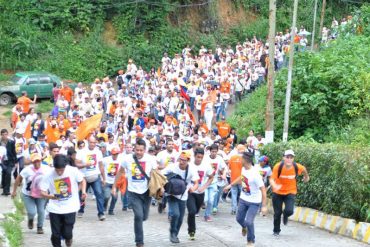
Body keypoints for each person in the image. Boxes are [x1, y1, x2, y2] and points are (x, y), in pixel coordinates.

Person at [112, 139, 157, 247]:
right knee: (138, 215)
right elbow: (120, 172)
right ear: (134, 149)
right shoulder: (127, 159)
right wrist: (114, 187)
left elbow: (156, 174)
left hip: (147, 192)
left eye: (141, 150)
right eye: (137, 150)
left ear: (145, 150)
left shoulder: (150, 159)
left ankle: (141, 223)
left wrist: (159, 187)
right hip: (133, 192)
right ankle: (139, 241)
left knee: (144, 217)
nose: (139, 152)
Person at [40, 154, 86, 247]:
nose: (60, 173)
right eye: (57, 170)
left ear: (65, 166)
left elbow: (82, 180)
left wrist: (82, 191)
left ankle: (69, 239)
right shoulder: (49, 174)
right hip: (55, 208)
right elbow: (42, 192)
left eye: (62, 170)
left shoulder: (72, 170)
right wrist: (50, 196)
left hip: (70, 207)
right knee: (55, 234)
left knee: (67, 233)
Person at [224, 152, 267, 247]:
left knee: (249, 221)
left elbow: (263, 190)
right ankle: (244, 227)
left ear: (246, 160)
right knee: (239, 219)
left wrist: (264, 206)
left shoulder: (255, 174)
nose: (239, 160)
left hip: (254, 202)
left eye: (241, 159)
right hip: (243, 199)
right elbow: (241, 178)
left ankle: (250, 241)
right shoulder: (243, 169)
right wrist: (230, 185)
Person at [269, 149, 309, 236]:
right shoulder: (278, 166)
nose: (289, 159)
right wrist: (274, 185)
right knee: (277, 213)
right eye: (287, 157)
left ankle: (286, 215)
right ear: (283, 158)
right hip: (277, 192)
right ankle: (276, 231)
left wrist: (306, 177)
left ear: (293, 159)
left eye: (291, 157)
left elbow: (304, 169)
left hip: (290, 191)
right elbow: (271, 179)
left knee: (289, 210)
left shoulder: (296, 166)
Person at [161, 151, 199, 244]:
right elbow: (161, 174)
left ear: (188, 161)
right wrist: (162, 186)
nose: (181, 162)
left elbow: (196, 182)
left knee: (181, 219)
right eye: (180, 159)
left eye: (184, 160)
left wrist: (193, 189)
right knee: (176, 214)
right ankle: (172, 233)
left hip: (183, 195)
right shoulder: (173, 166)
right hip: (171, 194)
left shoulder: (192, 169)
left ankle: (175, 234)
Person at [12, 153, 51, 234]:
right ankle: (30, 219)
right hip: (28, 194)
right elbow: (18, 179)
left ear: (41, 160)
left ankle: (40, 227)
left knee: (41, 211)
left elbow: (53, 179)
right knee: (32, 212)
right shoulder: (27, 170)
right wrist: (14, 191)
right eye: (35, 161)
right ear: (32, 162)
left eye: (38, 161)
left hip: (41, 194)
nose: (37, 163)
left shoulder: (47, 169)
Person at [76, 136, 106, 220]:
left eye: (94, 143)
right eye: (91, 142)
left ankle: (101, 213)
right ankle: (81, 210)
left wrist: (104, 178)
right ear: (88, 142)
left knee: (99, 194)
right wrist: (85, 165)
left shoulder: (98, 152)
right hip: (84, 178)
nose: (92, 144)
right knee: (81, 195)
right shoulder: (81, 152)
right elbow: (76, 164)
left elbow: (101, 166)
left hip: (95, 177)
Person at [187, 147, 213, 240]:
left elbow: (211, 177)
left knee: (196, 210)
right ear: (194, 156)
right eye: (198, 157)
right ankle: (191, 231)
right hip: (190, 192)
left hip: (200, 193)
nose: (199, 159)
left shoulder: (206, 166)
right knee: (192, 211)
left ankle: (191, 228)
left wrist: (204, 186)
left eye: (201, 157)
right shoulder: (189, 165)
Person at [102, 147, 122, 215]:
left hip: (115, 182)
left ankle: (111, 209)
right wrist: (102, 178)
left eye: (116, 154)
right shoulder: (106, 160)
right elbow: (100, 166)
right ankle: (105, 205)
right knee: (106, 196)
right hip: (107, 181)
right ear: (111, 154)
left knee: (115, 197)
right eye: (114, 154)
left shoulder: (120, 160)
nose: (115, 155)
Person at [228, 144, 245, 214]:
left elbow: (229, 168)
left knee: (234, 194)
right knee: (242, 195)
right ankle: (241, 209)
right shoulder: (244, 159)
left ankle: (233, 209)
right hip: (242, 179)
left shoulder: (232, 157)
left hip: (233, 179)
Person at [1, 129, 17, 196]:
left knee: (8, 173)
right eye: (3, 134)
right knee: (4, 174)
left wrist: (16, 162)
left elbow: (14, 152)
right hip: (2, 161)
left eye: (6, 134)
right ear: (1, 135)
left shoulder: (11, 142)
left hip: (10, 160)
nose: (5, 136)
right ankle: (4, 189)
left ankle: (7, 191)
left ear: (7, 134)